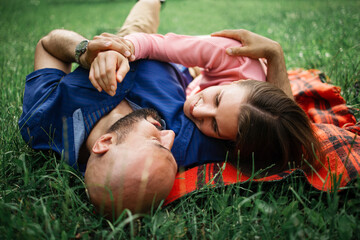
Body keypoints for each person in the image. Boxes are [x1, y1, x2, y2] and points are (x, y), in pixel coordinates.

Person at [18, 0, 228, 218]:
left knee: (128, 36)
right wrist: (268, 53)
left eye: (157, 142)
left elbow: (47, 45)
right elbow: (262, 135)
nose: (170, 135)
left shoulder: (43, 121)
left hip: (130, 45)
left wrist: (85, 51)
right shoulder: (185, 145)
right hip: (191, 69)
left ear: (106, 142)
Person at [90, 30, 322, 176]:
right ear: (235, 82)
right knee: (135, 29)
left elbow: (284, 129)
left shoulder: (255, 126)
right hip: (180, 64)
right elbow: (155, 44)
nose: (197, 110)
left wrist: (275, 53)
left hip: (187, 82)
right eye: (218, 99)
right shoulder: (232, 55)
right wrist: (125, 48)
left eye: (215, 126)